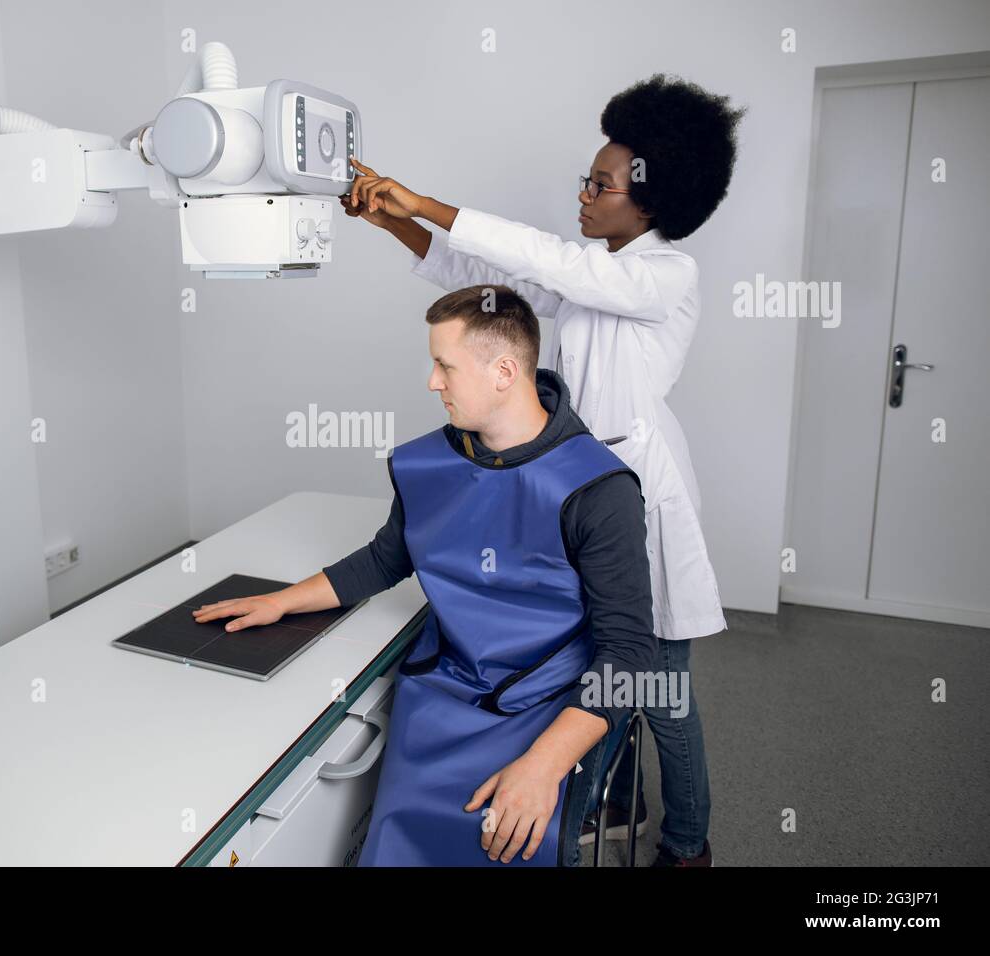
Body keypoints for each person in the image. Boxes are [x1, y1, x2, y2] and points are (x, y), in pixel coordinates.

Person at [339, 74, 746, 866]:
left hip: (638, 501)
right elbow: (500, 292)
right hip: (577, 489)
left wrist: (426, 201)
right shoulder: (596, 273)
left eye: (603, 184)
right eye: (586, 179)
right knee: (597, 659)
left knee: (658, 686)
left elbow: (556, 266)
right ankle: (603, 780)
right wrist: (395, 222)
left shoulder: (663, 275)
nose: (586, 195)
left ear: (652, 200)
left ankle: (691, 842)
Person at [194, 285, 656, 866]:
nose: (432, 382)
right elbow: (387, 558)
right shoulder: (431, 463)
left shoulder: (598, 489)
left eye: (444, 365)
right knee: (397, 842)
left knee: (504, 840)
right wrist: (284, 601)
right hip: (448, 689)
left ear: (504, 372)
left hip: (550, 704)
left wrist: (544, 765)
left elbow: (631, 653)